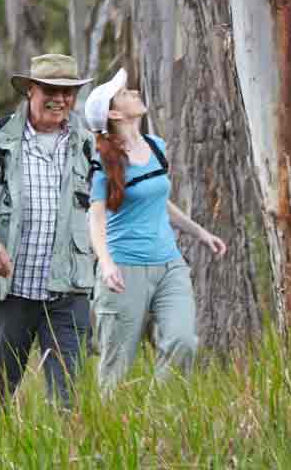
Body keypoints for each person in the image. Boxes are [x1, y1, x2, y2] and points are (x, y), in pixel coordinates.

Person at [0, 53, 96, 411]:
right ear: (30, 90)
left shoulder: (87, 140)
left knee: (70, 398)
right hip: (11, 290)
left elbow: (103, 204)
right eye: (51, 89)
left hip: (68, 288)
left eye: (69, 92)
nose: (61, 99)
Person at [80, 68, 228, 388]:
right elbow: (95, 217)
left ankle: (159, 416)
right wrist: (105, 264)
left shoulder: (156, 146)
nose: (133, 92)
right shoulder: (102, 160)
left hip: (169, 264)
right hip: (124, 268)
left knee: (182, 341)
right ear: (114, 113)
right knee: (116, 365)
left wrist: (200, 233)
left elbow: (159, 201)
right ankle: (113, 429)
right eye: (124, 93)